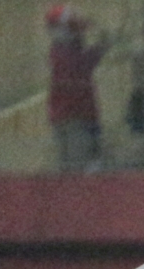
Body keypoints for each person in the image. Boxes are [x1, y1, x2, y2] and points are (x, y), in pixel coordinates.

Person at [47, 5, 109, 170]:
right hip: (73, 117)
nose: (79, 32)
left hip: (82, 114)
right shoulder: (62, 53)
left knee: (82, 164)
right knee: (77, 168)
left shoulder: (68, 50)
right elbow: (82, 65)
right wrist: (101, 47)